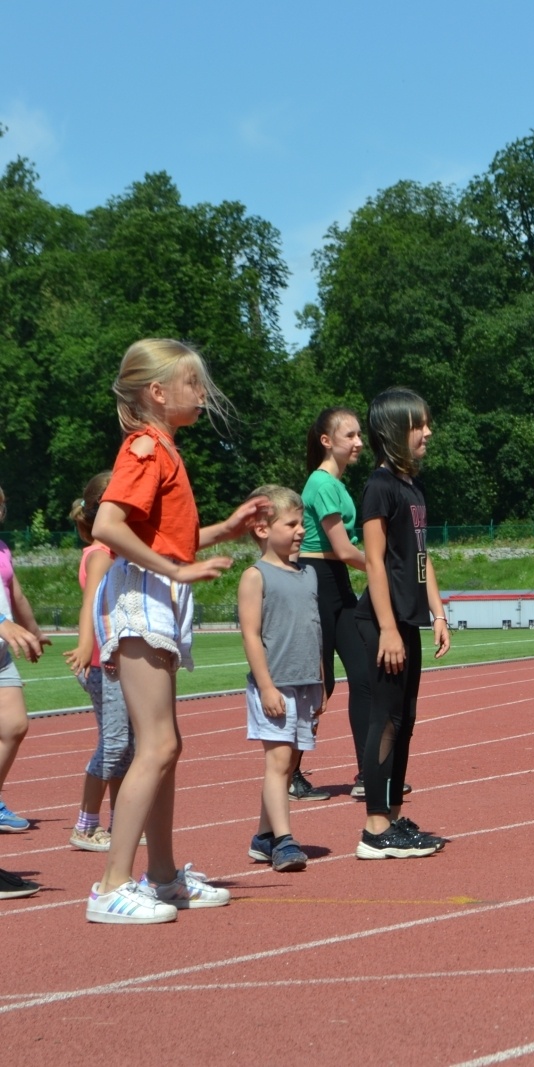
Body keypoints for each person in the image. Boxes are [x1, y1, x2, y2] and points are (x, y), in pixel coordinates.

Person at [87, 338, 267, 923]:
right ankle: (112, 884)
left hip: (157, 593)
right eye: (193, 383)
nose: (203, 394)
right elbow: (109, 525)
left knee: (168, 745)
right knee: (158, 744)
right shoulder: (144, 446)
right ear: (157, 393)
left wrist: (226, 530)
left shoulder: (163, 449)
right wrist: (175, 569)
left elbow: (170, 538)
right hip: (142, 595)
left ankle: (161, 876)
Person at [354, 387, 450, 859]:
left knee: (405, 719)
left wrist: (438, 610)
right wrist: (388, 627)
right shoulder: (378, 487)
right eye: (419, 425)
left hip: (408, 617)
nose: (428, 432)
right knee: (385, 719)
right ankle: (374, 826)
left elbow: (419, 556)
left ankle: (391, 815)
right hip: (381, 620)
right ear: (394, 431)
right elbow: (374, 562)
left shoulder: (412, 488)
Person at [241, 485, 323, 873]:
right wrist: (267, 686)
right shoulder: (255, 577)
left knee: (288, 762)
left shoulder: (308, 575)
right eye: (291, 523)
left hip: (305, 683)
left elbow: (314, 628)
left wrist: (320, 679)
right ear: (261, 528)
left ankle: (262, 836)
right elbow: (251, 636)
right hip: (274, 685)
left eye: (301, 522)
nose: (300, 530)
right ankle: (285, 842)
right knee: (277, 763)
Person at [297, 407, 374, 802]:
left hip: (337, 584)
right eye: (350, 436)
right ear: (327, 441)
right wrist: (384, 567)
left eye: (359, 435)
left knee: (363, 676)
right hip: (315, 581)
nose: (359, 442)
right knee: (318, 685)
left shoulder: (338, 485)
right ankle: (290, 772)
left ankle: (367, 772)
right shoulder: (322, 483)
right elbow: (344, 549)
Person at [65, 472, 131, 852]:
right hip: (103, 664)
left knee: (127, 746)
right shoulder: (101, 555)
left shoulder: (116, 553)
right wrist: (88, 648)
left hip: (119, 660)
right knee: (114, 743)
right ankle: (86, 825)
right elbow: (91, 604)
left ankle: (119, 821)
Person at [0, 484, 47, 837]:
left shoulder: (2, 549)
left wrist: (32, 630)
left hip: (2, 655)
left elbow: (15, 593)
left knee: (15, 725)